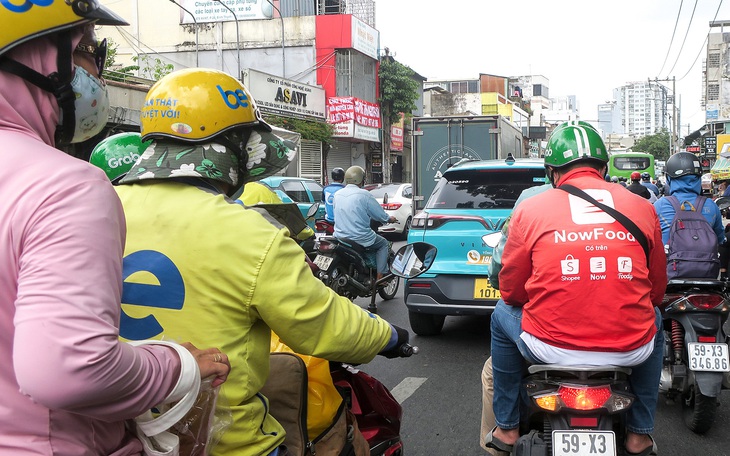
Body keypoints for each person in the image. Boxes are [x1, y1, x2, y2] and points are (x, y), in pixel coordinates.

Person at [114, 68, 410, 456]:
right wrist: (388, 336)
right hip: (224, 442)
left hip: (114, 434)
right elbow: (322, 325)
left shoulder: (93, 206)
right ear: (234, 149)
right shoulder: (249, 233)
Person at [0, 4, 229, 454]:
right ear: (37, 60)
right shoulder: (65, 185)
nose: (96, 73)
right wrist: (176, 364)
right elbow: (68, 370)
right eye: (87, 50)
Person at [485, 122, 667, 456]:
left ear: (552, 173)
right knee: (656, 317)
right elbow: (656, 289)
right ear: (603, 167)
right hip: (630, 349)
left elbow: (510, 290)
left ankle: (507, 429)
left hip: (547, 347)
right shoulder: (644, 207)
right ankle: (640, 434)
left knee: (500, 315)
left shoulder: (530, 209)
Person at [333, 165, 397, 279]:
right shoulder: (364, 195)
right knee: (383, 244)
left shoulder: (337, 194)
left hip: (340, 236)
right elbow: (379, 215)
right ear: (361, 179)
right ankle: (380, 276)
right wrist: (389, 219)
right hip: (360, 237)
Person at [654, 152, 725, 249]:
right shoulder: (711, 205)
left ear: (669, 179)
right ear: (699, 178)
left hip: (669, 263)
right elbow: (720, 238)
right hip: (705, 263)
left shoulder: (659, 205)